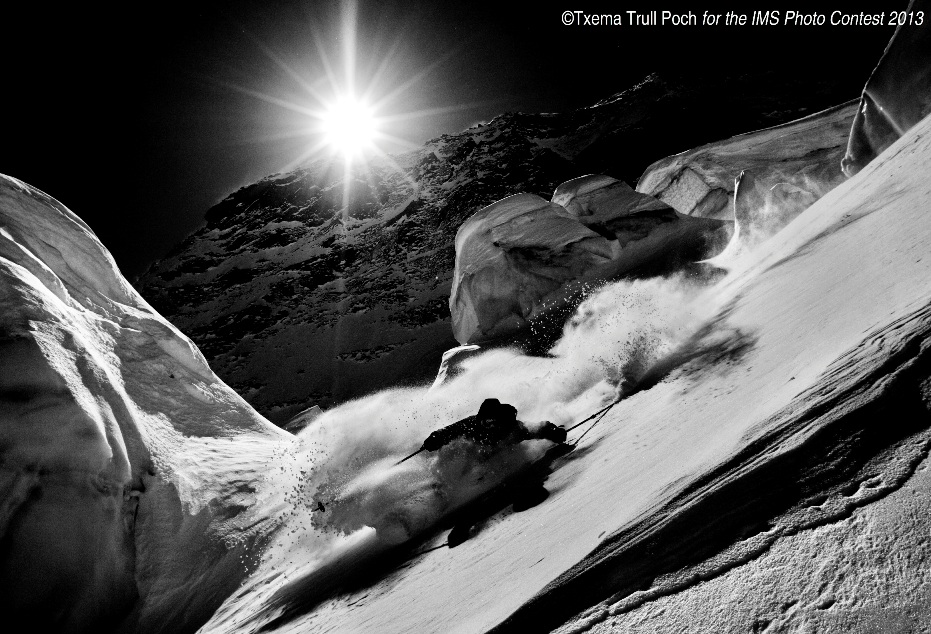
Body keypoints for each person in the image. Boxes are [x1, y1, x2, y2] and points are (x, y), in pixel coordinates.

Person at [422, 398, 567, 452]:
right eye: (486, 421)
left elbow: (537, 428)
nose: (489, 425)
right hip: (477, 451)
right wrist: (435, 439)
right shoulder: (472, 424)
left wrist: (554, 432)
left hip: (494, 452)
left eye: (492, 421)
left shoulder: (512, 428)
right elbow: (449, 431)